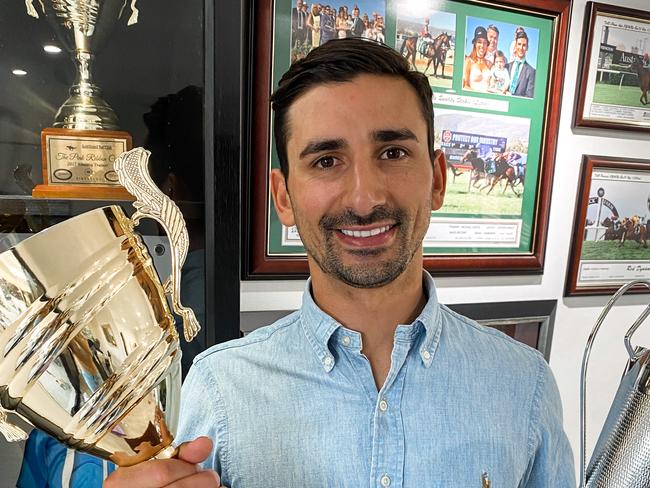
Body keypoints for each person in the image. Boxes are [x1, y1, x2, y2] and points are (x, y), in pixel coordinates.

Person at [105, 38, 575, 488]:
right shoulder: (219, 388)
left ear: (437, 180)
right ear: (283, 197)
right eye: (327, 161)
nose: (366, 198)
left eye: (393, 152)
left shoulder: (524, 385)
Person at [507, 29, 535, 98]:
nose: (521, 48)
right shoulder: (506, 67)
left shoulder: (531, 72)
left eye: (524, 45)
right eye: (519, 44)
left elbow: (529, 97)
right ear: (515, 46)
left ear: (527, 48)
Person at [463, 26, 492, 92]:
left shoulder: (489, 64)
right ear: (475, 44)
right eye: (479, 42)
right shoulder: (468, 61)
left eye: (485, 42)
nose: (482, 45)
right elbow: (464, 85)